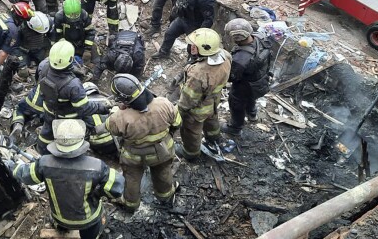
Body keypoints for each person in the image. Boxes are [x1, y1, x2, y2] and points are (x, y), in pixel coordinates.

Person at [9, 119, 124, 239]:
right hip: (87, 220)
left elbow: (25, 176)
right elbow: (117, 187)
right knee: (93, 228)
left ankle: (62, 228)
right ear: (81, 141)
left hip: (60, 217)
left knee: (62, 219)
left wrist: (12, 167)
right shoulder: (97, 166)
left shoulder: (44, 163)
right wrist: (98, 194)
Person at [97, 73, 181, 211]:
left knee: (132, 180)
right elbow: (177, 122)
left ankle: (131, 204)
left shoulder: (119, 117)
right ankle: (165, 197)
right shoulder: (164, 103)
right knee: (163, 173)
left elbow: (107, 129)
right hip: (163, 151)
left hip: (134, 158)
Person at [34, 40, 110, 153]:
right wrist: (103, 107)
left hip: (49, 111)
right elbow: (84, 108)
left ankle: (41, 151)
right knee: (71, 142)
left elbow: (41, 80)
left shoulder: (43, 67)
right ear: (70, 59)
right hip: (68, 119)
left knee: (46, 133)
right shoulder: (73, 85)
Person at [176, 29, 231, 160]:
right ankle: (214, 137)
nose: (192, 47)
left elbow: (188, 99)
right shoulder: (226, 56)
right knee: (212, 119)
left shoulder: (199, 73)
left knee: (191, 131)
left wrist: (180, 113)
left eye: (195, 46)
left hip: (198, 110)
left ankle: (191, 154)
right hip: (213, 101)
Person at [221, 18, 273, 137]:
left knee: (236, 103)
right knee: (251, 98)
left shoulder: (241, 58)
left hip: (245, 86)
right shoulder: (260, 37)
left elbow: (231, 77)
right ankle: (252, 114)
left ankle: (235, 127)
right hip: (260, 80)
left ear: (236, 37)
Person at [151, 0, 216, 59]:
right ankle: (164, 52)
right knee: (169, 33)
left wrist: (199, 35)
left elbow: (208, 19)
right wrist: (173, 16)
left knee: (192, 48)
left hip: (195, 25)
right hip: (183, 18)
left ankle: (190, 65)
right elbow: (180, 1)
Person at [11, 11, 54, 79]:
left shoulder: (49, 23)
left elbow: (52, 37)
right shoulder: (20, 28)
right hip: (23, 50)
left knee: (49, 65)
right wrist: (22, 65)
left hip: (40, 48)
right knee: (23, 72)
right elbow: (14, 46)